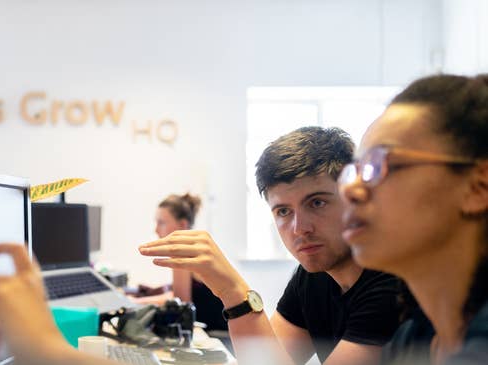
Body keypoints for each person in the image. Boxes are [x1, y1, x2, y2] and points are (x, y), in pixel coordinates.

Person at [138, 126, 402, 364]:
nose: (300, 228)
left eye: (317, 203)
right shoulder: (313, 276)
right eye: (283, 211)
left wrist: (233, 291)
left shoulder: (390, 283)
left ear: (353, 198)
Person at [338, 74, 488, 364]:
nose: (352, 191)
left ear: (478, 187)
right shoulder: (410, 340)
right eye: (355, 171)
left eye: (381, 164)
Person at [136, 193, 229, 332]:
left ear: (182, 225)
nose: (156, 230)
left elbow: (179, 302)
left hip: (216, 333)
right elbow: (178, 294)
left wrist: (134, 302)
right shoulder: (193, 246)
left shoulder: (183, 253)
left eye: (161, 223)